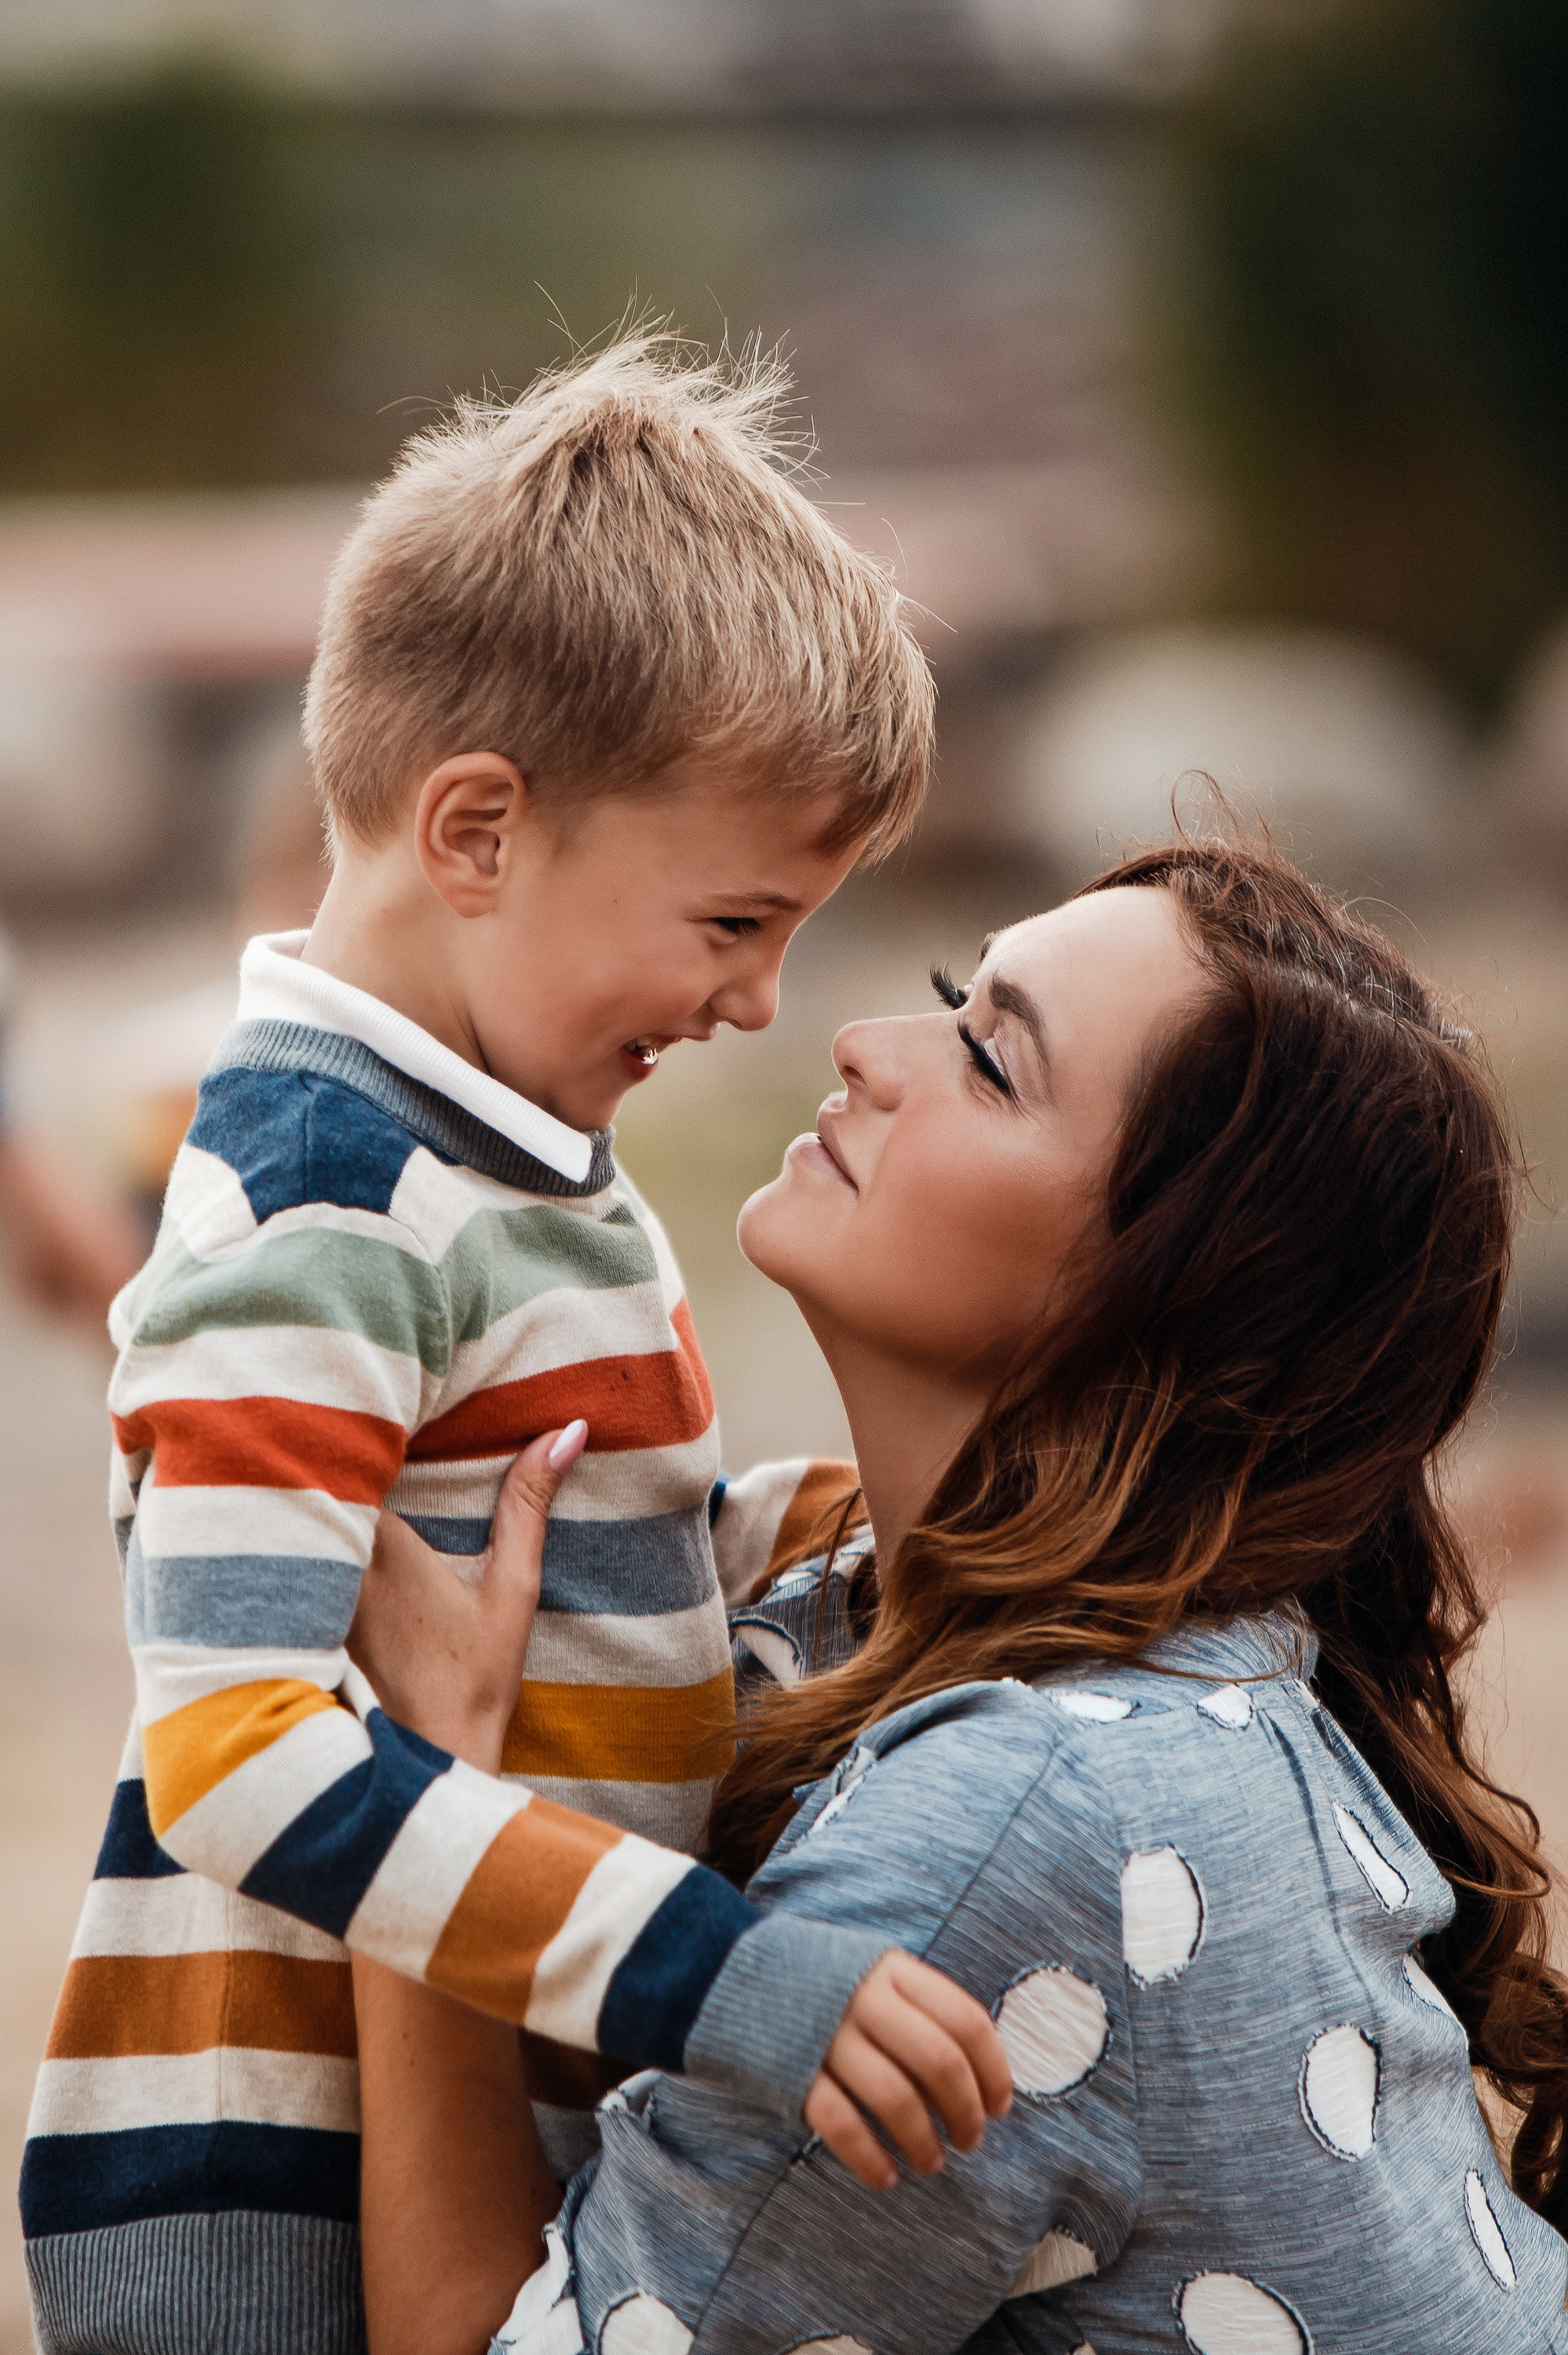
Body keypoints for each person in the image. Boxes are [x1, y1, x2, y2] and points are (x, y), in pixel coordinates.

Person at [20, 338, 1016, 2355]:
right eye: (732, 923)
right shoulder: (328, 1195)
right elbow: (234, 1748)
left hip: (449, 2108)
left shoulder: (511, 1150)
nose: (759, 1004)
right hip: (261, 2181)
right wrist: (726, 1979)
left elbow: (568, 1547)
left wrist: (854, 1531)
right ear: (474, 832)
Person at [346, 834, 1568, 2355]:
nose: (861, 1045)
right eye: (951, 994)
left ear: (1157, 1306)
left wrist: (420, 1804)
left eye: (991, 1059)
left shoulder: (1024, 1815)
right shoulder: (1146, 1666)